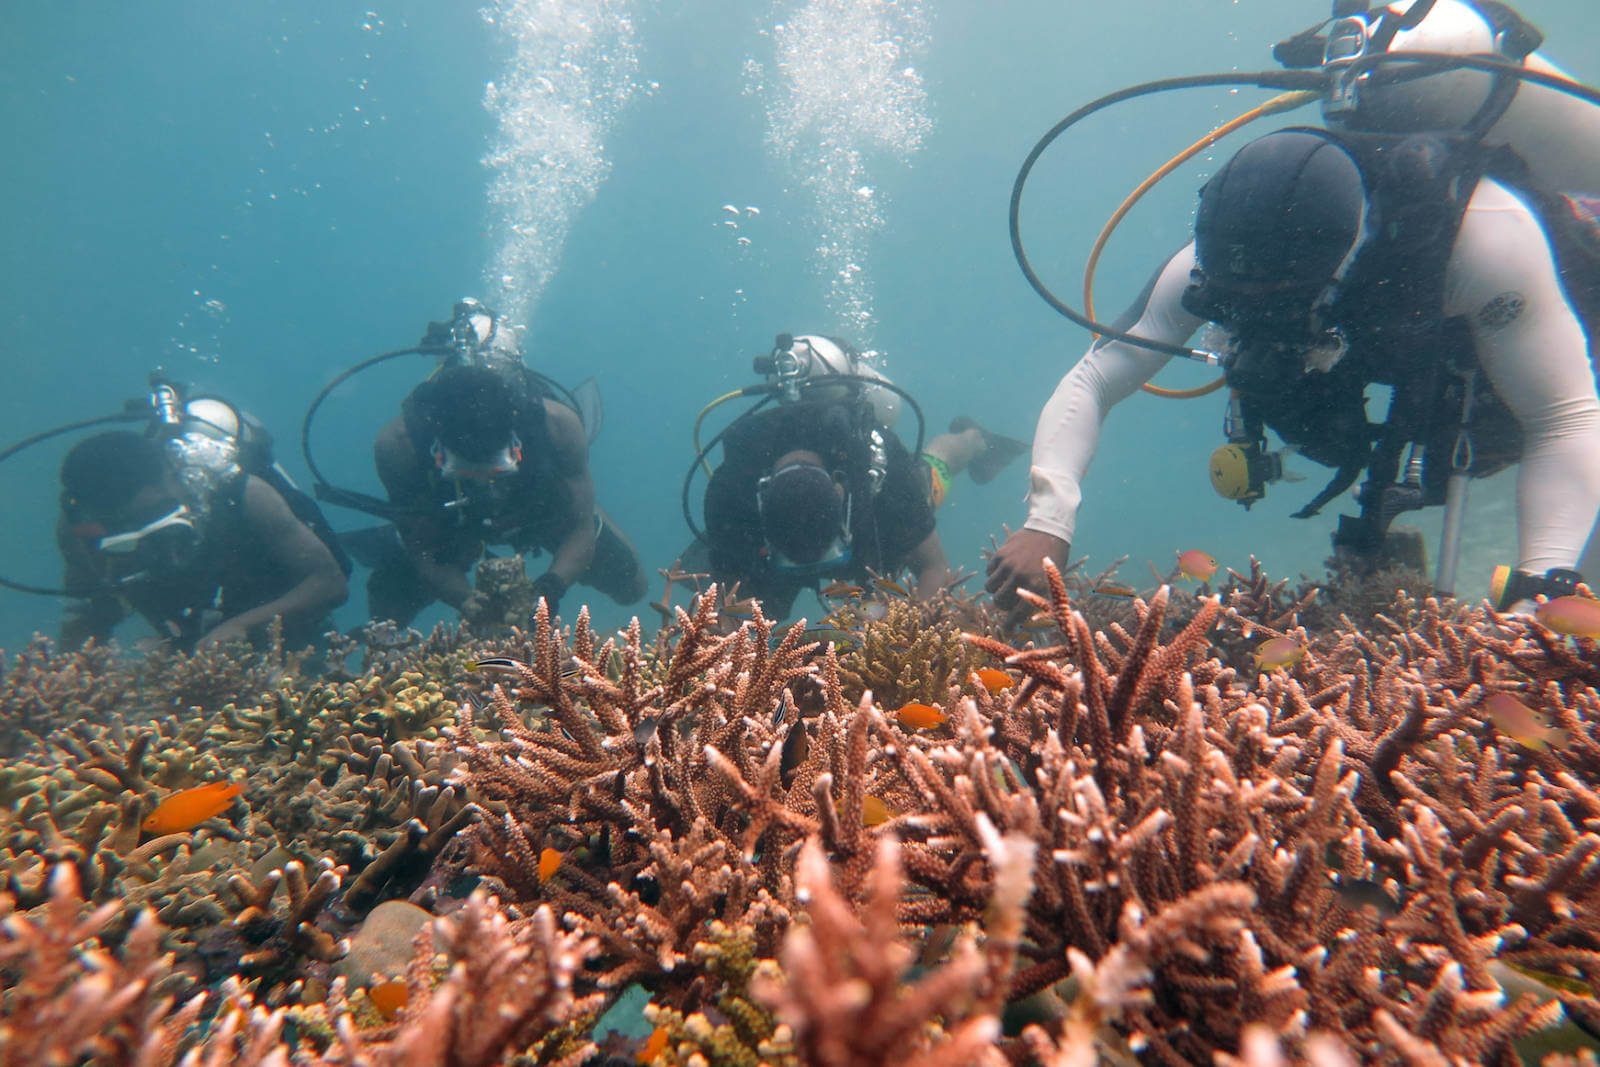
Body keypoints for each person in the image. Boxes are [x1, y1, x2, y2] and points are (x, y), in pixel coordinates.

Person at [987, 121, 1599, 614]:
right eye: (1240, 299)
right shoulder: (1206, 264)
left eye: (1281, 299)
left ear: (1346, 256)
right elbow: (1094, 378)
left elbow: (1561, 415)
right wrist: (1048, 521)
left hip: (1493, 353)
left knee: (1513, 416)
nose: (1261, 316)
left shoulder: (1481, 240)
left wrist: (1542, 590)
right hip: (1370, 354)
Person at [698, 334, 1025, 620]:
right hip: (768, 548)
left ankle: (971, 438)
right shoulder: (731, 493)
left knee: (931, 475)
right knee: (760, 605)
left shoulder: (882, 469)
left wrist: (902, 642)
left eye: (829, 550)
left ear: (841, 494)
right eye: (793, 560)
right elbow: (725, 606)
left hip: (873, 509)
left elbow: (934, 567)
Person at [366, 301, 646, 625]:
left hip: (535, 506)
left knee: (632, 588)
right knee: (386, 613)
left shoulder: (558, 425)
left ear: (516, 444)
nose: (486, 481)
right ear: (438, 452)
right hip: (449, 520)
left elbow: (580, 530)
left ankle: (587, 504)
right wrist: (466, 601)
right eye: (468, 470)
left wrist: (552, 586)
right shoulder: (398, 445)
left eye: (497, 468)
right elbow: (422, 551)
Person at [57, 402, 350, 650]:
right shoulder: (82, 532)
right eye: (127, 526)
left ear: (173, 474)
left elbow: (329, 583)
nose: (148, 536)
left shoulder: (246, 494)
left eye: (157, 515)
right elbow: (93, 613)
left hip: (283, 626)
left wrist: (239, 627)